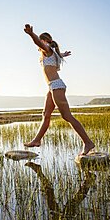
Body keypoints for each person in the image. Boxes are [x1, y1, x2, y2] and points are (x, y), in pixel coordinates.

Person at [23, 24, 95, 155]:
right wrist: (63, 54)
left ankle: (88, 142)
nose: (40, 45)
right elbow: (58, 54)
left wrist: (31, 34)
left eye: (42, 42)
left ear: (45, 42)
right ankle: (37, 140)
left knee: (67, 116)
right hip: (52, 87)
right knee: (45, 115)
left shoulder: (47, 50)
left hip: (56, 86)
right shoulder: (52, 52)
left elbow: (38, 42)